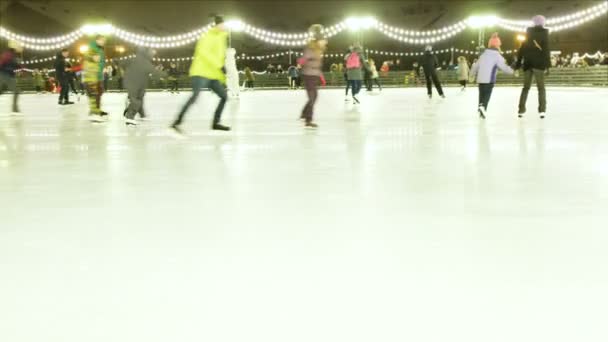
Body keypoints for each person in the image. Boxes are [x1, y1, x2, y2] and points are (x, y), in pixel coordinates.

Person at [170, 15, 231, 137]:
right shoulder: (207, 36)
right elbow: (204, 53)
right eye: (221, 24)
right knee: (195, 97)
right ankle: (176, 123)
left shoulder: (222, 38)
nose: (224, 26)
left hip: (213, 74)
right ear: (216, 25)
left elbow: (219, 57)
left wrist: (221, 74)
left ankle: (216, 123)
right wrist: (219, 64)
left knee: (224, 96)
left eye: (224, 24)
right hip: (200, 72)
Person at [469, 33, 515, 119]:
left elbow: (475, 66)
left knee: (481, 94)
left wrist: (471, 74)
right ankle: (483, 107)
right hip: (489, 79)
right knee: (487, 95)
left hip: (480, 79)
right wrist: (512, 71)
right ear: (498, 46)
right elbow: (504, 68)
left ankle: (481, 110)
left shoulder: (483, 55)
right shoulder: (497, 56)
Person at [516, 15, 550, 119]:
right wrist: (548, 66)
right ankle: (542, 110)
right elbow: (546, 51)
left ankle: (521, 110)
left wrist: (518, 64)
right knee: (541, 88)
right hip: (539, 64)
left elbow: (521, 50)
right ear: (543, 23)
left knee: (526, 88)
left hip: (528, 64)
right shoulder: (545, 33)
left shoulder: (528, 33)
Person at [297, 24, 327, 129]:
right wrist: (301, 62)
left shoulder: (318, 51)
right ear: (318, 41)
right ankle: (308, 120)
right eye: (323, 41)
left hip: (314, 76)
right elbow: (304, 59)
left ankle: (304, 113)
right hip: (308, 75)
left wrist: (321, 76)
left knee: (314, 97)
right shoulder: (311, 48)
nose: (325, 43)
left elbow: (317, 66)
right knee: (312, 97)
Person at [123, 47, 158, 125]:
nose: (153, 55)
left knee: (140, 98)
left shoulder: (143, 59)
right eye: (152, 53)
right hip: (135, 82)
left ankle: (141, 114)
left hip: (139, 82)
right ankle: (129, 116)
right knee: (137, 99)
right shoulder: (141, 59)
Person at [84, 34, 107, 122]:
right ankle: (94, 113)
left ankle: (97, 110)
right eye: (102, 40)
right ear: (97, 40)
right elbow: (88, 57)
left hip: (99, 74)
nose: (103, 42)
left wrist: (103, 68)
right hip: (92, 75)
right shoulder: (92, 48)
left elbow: (101, 61)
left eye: (104, 41)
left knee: (99, 92)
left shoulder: (101, 49)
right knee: (94, 93)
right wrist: (92, 58)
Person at [0, 40, 23, 114]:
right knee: (16, 91)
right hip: (4, 75)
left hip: (9, 75)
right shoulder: (8, 54)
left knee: (3, 91)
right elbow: (1, 63)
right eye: (18, 46)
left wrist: (20, 67)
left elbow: (17, 65)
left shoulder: (15, 55)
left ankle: (14, 109)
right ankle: (14, 109)